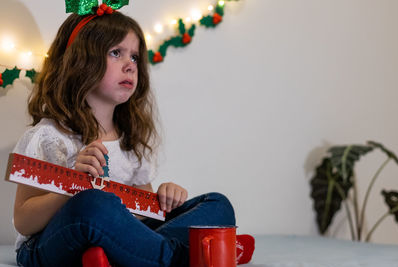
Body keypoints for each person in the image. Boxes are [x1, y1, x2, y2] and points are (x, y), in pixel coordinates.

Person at [12, 8, 235, 267]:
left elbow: (140, 217)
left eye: (135, 57)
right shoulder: (48, 136)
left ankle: (125, 256)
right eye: (116, 53)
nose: (130, 65)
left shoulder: (129, 140)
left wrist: (164, 198)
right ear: (80, 62)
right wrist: (73, 187)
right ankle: (188, 255)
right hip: (48, 246)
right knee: (94, 204)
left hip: (119, 239)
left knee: (217, 205)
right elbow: (23, 221)